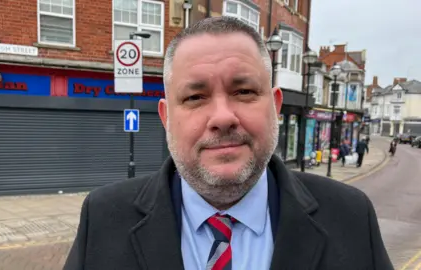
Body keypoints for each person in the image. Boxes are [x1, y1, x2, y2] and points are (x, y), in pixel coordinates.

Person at [63, 17, 393, 270]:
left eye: (244, 91)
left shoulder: (351, 216)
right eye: (195, 96)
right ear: (166, 118)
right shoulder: (103, 219)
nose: (222, 117)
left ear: (275, 107)